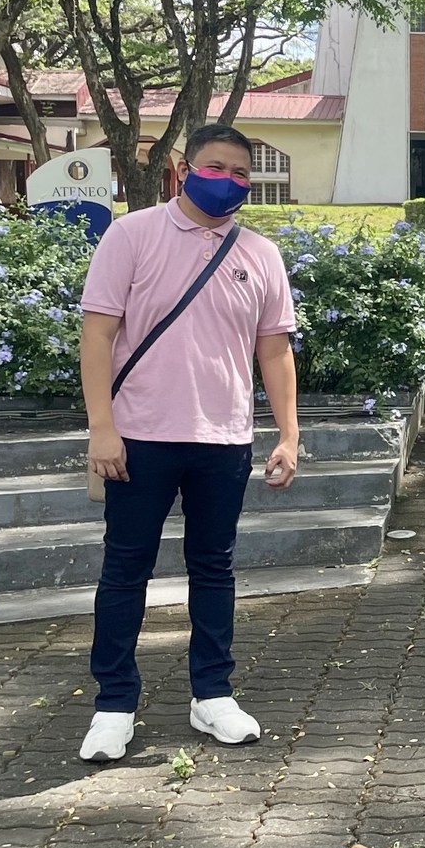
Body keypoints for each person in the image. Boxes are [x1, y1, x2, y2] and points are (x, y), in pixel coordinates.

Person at [76, 124, 300, 763]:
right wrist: (102, 428)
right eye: (215, 168)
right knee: (126, 570)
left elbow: (274, 350)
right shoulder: (132, 234)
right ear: (183, 170)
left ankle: (213, 694)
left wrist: (288, 434)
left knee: (214, 568)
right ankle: (114, 704)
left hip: (223, 439)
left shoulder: (260, 253)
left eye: (240, 173)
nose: (228, 181)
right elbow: (97, 335)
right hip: (139, 437)